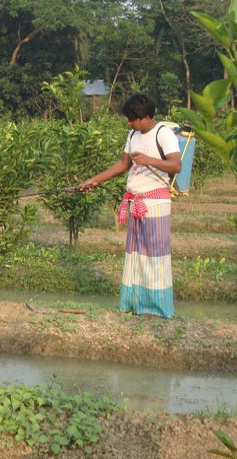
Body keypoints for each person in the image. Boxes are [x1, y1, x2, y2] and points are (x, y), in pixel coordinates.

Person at [79, 94, 182, 318]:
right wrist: (94, 180)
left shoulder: (163, 133)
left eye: (132, 118)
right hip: (135, 200)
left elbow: (176, 165)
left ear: (145, 118)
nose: (128, 122)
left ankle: (157, 309)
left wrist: (149, 160)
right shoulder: (133, 134)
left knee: (155, 256)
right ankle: (135, 305)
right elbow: (123, 164)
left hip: (155, 203)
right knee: (136, 255)